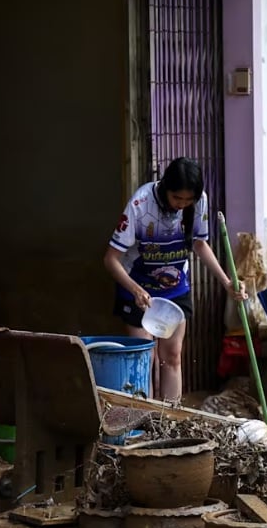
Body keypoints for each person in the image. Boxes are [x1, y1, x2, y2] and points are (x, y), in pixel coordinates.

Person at [104, 157, 243, 404]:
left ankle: (171, 419)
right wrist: (135, 290)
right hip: (138, 289)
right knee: (143, 359)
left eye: (188, 200)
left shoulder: (199, 202)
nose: (182, 205)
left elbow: (200, 244)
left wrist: (227, 282)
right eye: (177, 198)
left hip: (174, 288)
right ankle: (142, 422)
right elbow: (111, 259)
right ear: (166, 187)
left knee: (173, 356)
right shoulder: (140, 203)